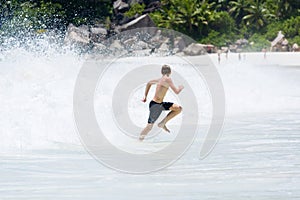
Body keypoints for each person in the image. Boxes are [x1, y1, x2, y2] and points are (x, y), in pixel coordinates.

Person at [139, 65, 184, 141]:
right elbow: (176, 91)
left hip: (160, 104)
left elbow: (149, 83)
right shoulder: (168, 79)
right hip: (155, 106)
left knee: (178, 109)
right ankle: (139, 141)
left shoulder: (159, 79)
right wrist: (180, 88)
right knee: (149, 127)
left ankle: (163, 123)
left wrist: (145, 96)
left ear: (161, 72)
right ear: (170, 72)